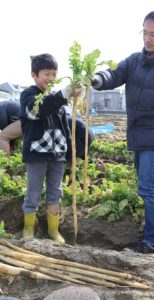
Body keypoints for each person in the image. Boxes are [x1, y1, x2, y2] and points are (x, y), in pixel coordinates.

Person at [91, 11, 154, 254]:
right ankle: (152, 239)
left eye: (153, 34)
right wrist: (97, 79)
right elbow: (115, 74)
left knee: (149, 187)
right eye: (144, 32)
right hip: (137, 135)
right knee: (145, 187)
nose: (147, 39)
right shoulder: (134, 60)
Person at [20, 53, 77, 244]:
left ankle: (53, 230)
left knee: (55, 192)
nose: (51, 78)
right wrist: (60, 96)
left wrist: (69, 153)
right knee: (34, 192)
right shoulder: (28, 96)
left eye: (54, 74)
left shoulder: (58, 102)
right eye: (46, 74)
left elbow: (66, 128)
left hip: (57, 155)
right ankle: (29, 228)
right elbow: (37, 112)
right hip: (36, 154)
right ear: (34, 75)